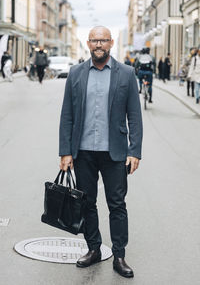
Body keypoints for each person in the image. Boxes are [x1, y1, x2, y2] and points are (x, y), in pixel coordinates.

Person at [59, 26, 143, 278]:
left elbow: (135, 117)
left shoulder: (126, 74)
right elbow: (67, 116)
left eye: (103, 40)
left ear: (111, 43)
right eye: (94, 40)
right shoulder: (75, 73)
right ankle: (93, 249)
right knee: (87, 204)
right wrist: (65, 151)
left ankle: (119, 255)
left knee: (117, 205)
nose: (99, 44)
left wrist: (135, 151)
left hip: (114, 153)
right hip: (83, 152)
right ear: (88, 43)